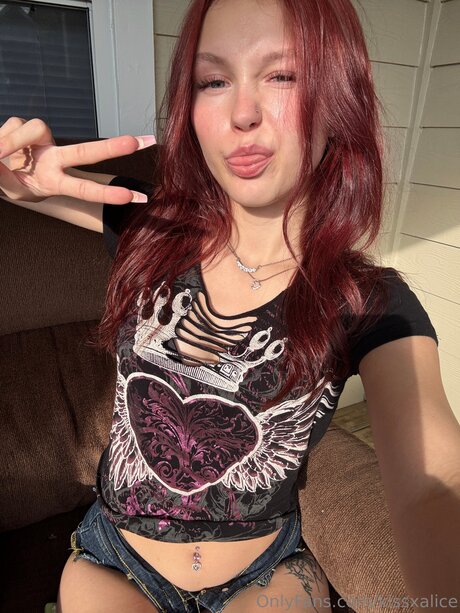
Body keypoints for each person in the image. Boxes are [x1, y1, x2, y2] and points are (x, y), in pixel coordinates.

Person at [1, 0, 459, 611]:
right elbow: (31, 187)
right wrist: (15, 177)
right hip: (116, 562)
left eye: (283, 75)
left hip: (267, 571)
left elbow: (433, 485)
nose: (242, 113)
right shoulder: (153, 227)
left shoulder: (371, 302)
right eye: (213, 81)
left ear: (338, 99)